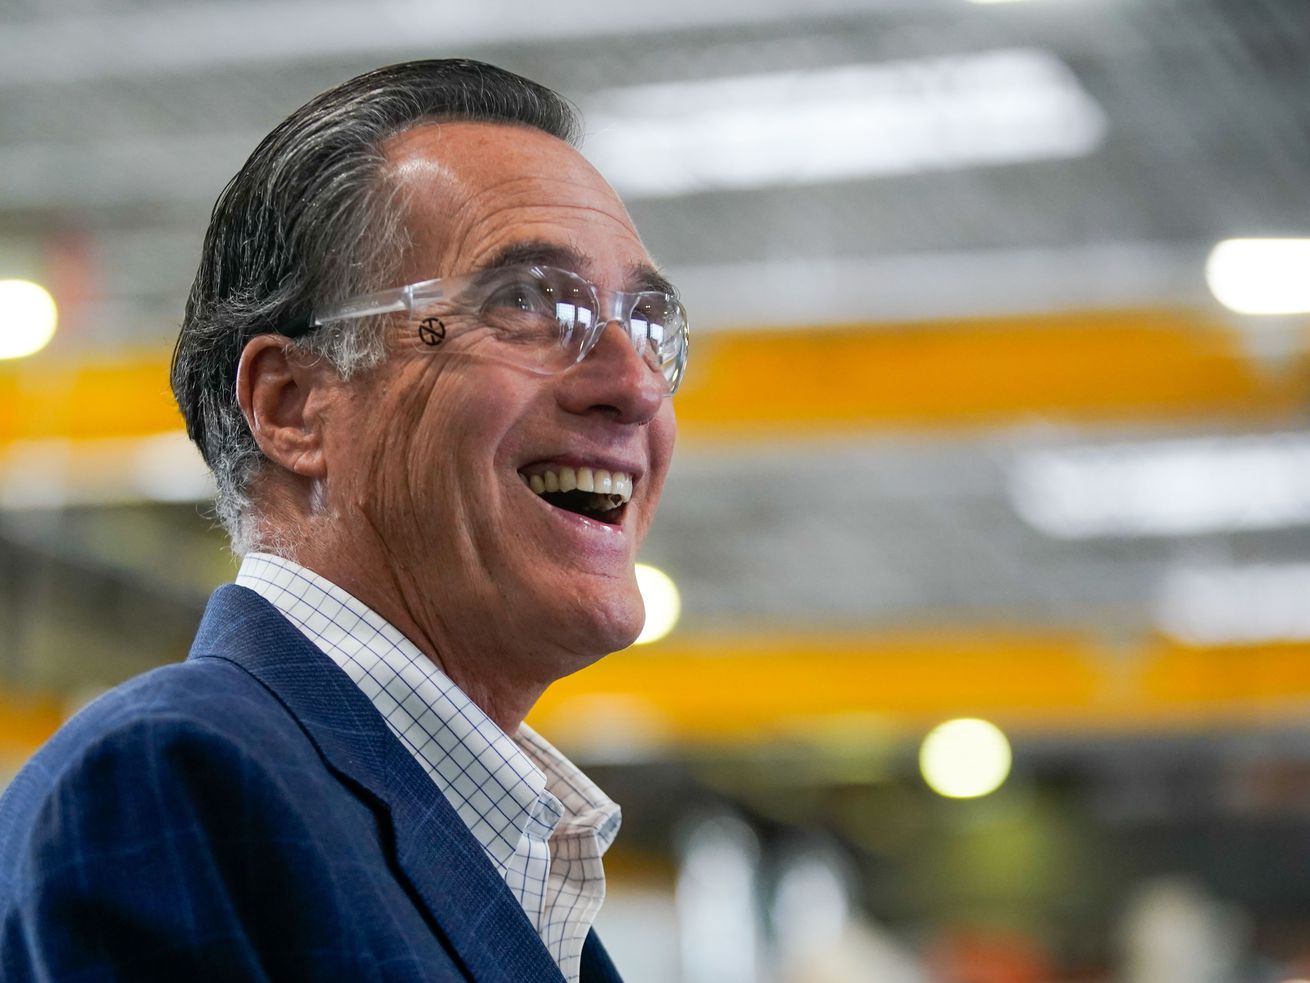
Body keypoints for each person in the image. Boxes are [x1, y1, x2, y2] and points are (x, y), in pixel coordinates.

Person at [0, 58, 686, 982]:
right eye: (527, 304)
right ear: (292, 405)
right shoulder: (177, 785)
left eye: (648, 323)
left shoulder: (507, 863)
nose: (637, 383)